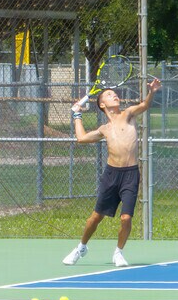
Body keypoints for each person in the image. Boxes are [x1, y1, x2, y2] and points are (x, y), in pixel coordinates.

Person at [63, 78, 161, 267]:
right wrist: (77, 115)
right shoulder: (104, 129)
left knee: (126, 218)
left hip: (130, 175)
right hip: (111, 176)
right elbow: (81, 138)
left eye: (114, 93)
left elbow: (145, 105)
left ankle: (118, 252)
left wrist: (152, 92)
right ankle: (81, 247)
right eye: (109, 94)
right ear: (102, 104)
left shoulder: (129, 114)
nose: (114, 95)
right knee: (95, 217)